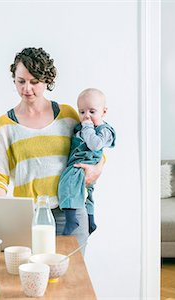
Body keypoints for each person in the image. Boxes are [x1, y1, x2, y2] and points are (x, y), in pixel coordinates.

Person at [0, 47, 105, 250]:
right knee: (32, 278)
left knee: (72, 279)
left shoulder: (67, 115)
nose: (27, 88)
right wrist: (2, 211)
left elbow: (93, 149)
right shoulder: (5, 124)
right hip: (28, 218)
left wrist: (98, 169)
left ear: (47, 80)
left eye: (34, 82)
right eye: (21, 81)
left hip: (70, 212)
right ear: (14, 79)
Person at [58, 88, 116, 236]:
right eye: (82, 112)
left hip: (82, 165)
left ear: (104, 111)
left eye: (92, 111)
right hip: (82, 163)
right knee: (87, 193)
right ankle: (91, 220)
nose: (86, 116)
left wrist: (87, 127)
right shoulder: (82, 126)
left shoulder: (104, 130)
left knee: (67, 183)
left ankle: (71, 220)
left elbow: (95, 144)